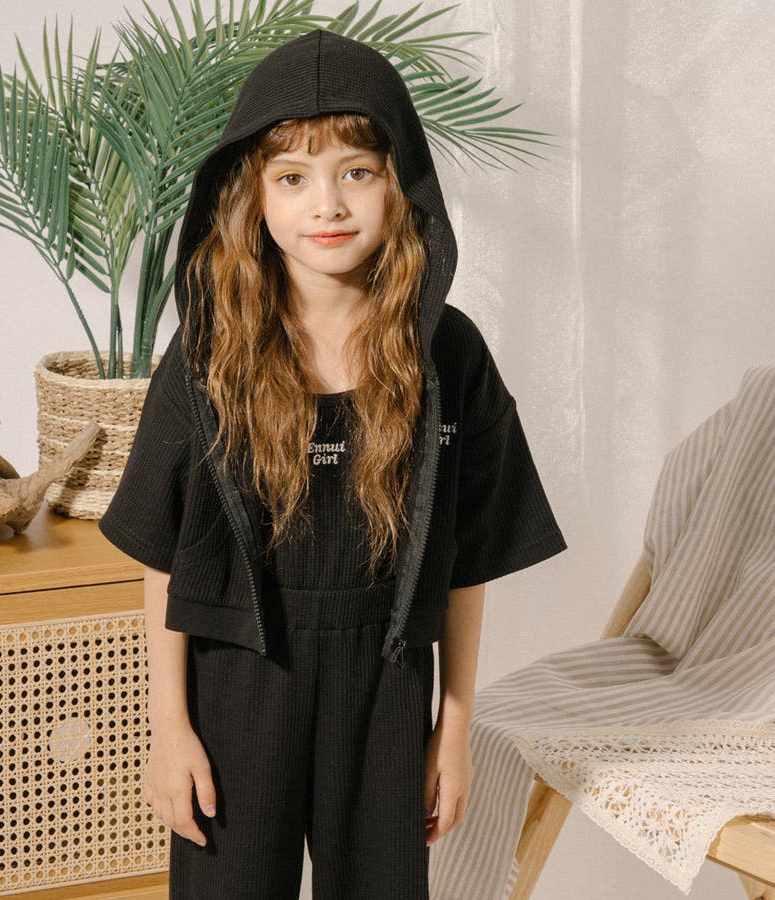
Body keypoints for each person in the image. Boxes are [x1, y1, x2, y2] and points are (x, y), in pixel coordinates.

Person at [97, 28, 568, 900]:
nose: (328, 204)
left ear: (400, 183)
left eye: (357, 171)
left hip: (387, 682)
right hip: (237, 679)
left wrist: (453, 726)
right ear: (251, 193)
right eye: (292, 178)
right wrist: (169, 726)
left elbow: (467, 561)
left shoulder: (447, 354)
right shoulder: (207, 355)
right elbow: (164, 557)